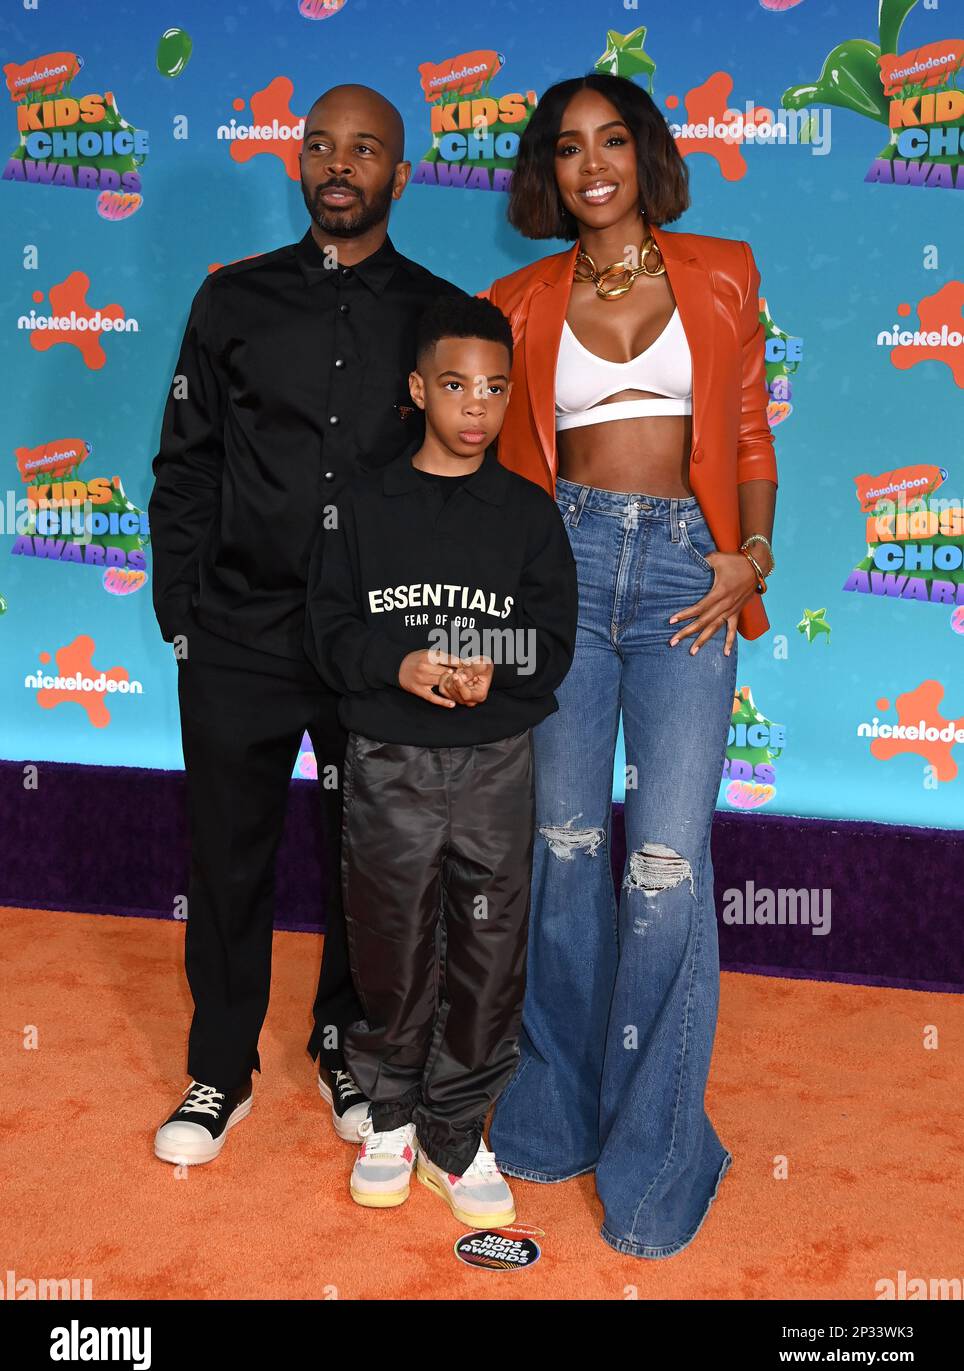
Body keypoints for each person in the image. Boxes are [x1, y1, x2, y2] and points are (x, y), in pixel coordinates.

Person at [476, 74, 779, 1257]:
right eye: (567, 148)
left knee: (662, 861)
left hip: (683, 582)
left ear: (643, 154)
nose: (590, 163)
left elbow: (749, 428)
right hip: (562, 568)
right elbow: (500, 484)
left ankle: (659, 1154)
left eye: (612, 141)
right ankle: (555, 1109)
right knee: (562, 848)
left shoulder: (720, 269)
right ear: (546, 173)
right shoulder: (516, 299)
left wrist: (750, 555)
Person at [149, 84, 461, 1166]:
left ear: (400, 173)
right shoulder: (230, 302)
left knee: (363, 859)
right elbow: (185, 463)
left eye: (364, 149)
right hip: (236, 630)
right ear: (299, 164)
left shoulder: (441, 315)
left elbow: (458, 486)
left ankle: (345, 1048)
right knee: (226, 854)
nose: (340, 164)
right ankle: (218, 1068)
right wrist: (180, 608)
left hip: (372, 644)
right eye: (322, 146)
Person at [303, 293, 578, 1227]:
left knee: (490, 948)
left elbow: (552, 640)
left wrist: (485, 668)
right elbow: (329, 629)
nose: (475, 407)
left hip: (496, 761)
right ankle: (389, 1113)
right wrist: (402, 663)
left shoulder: (530, 516)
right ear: (419, 389)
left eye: (496, 389)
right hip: (389, 760)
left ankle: (456, 1131)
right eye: (455, 385)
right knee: (391, 939)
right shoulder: (360, 507)